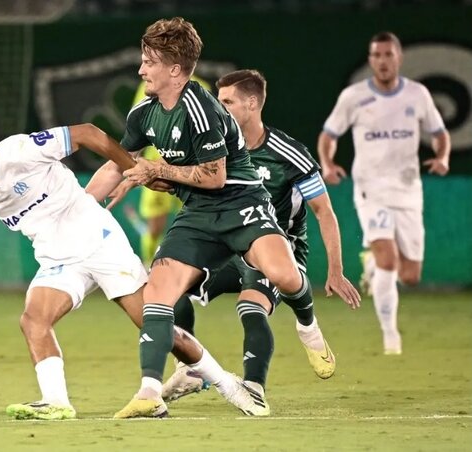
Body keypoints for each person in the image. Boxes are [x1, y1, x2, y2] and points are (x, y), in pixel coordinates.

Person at [0, 123, 257, 421]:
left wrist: (134, 171)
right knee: (33, 320)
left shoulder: (19, 151)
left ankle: (229, 384)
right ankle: (56, 402)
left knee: (154, 325)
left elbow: (87, 133)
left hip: (99, 243)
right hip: (58, 259)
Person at [87, 17, 324, 419]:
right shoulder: (144, 114)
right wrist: (78, 209)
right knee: (157, 295)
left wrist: (156, 170)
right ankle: (149, 393)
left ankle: (309, 323)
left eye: (149, 62)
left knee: (283, 275)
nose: (141, 70)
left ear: (175, 70)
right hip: (197, 213)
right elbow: (116, 165)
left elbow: (214, 178)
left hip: (241, 205)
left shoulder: (201, 108)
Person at [156, 69, 360, 403]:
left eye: (227, 102)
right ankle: (189, 369)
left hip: (276, 246)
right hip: (227, 246)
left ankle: (260, 381)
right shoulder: (210, 148)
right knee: (169, 290)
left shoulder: (287, 153)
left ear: (252, 104)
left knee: (251, 308)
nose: (219, 110)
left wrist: (335, 270)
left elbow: (324, 211)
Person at [317, 32, 451, 355]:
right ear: (370, 59)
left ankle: (373, 266)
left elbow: (440, 133)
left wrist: (443, 156)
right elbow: (329, 134)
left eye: (388, 54)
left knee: (411, 274)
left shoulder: (417, 95)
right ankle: (391, 337)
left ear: (399, 58)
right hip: (371, 189)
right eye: (376, 55)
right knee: (389, 258)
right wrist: (328, 162)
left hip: (407, 190)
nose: (382, 61)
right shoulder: (354, 96)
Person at [127, 77, 210, 264]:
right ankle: (149, 267)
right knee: (155, 226)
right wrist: (135, 163)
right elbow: (137, 125)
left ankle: (194, 269)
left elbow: (206, 132)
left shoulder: (201, 88)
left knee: (194, 224)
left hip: (188, 169)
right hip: (155, 166)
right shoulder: (149, 85)